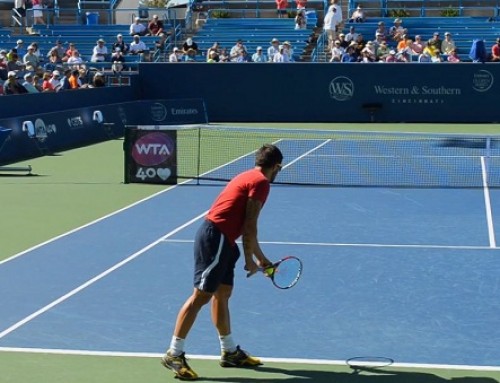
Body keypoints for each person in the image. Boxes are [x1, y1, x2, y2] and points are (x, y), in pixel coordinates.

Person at [161, 144, 283, 381]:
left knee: (223, 293)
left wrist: (263, 261)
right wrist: (250, 259)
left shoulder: (248, 175)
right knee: (202, 295)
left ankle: (229, 352)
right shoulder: (260, 183)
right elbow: (250, 225)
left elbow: (248, 229)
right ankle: (173, 354)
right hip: (215, 237)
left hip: (225, 240)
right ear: (276, 166)